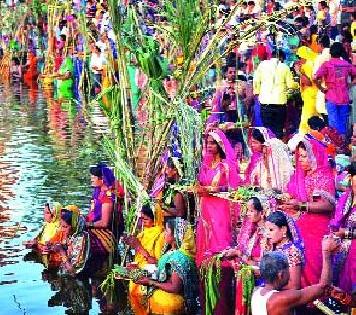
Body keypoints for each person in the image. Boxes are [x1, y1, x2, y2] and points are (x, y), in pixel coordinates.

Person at [281, 138, 335, 287]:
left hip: (316, 229)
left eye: (304, 156)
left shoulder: (322, 175)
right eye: (299, 156)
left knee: (313, 267)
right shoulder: (300, 175)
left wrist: (300, 206)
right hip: (299, 226)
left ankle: (313, 299)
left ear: (315, 155)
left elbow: (327, 205)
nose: (301, 160)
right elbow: (291, 192)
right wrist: (287, 198)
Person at [251, 235, 339, 315]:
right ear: (280, 275)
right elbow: (323, 288)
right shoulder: (281, 299)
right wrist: (326, 253)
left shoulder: (257, 293)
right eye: (287, 269)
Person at [135, 218, 199, 315]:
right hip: (169, 292)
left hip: (175, 299)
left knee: (140, 291)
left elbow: (175, 287)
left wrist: (151, 282)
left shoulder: (178, 258)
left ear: (176, 235)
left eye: (167, 231)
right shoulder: (172, 251)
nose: (164, 233)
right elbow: (164, 272)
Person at [195, 129, 240, 266]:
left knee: (219, 238)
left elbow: (233, 189)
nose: (209, 146)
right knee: (206, 238)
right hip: (206, 206)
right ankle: (206, 269)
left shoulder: (226, 165)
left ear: (220, 145)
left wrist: (214, 190)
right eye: (207, 143)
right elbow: (201, 183)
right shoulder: (206, 165)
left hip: (220, 207)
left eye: (213, 143)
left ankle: (222, 270)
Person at [125, 205, 166, 315]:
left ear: (155, 219)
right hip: (140, 269)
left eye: (145, 219)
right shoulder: (144, 233)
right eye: (141, 219)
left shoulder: (161, 236)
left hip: (152, 275)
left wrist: (139, 248)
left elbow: (159, 264)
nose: (142, 222)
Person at [253, 49, 299, 139]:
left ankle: (268, 149)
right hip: (280, 104)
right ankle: (278, 150)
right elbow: (291, 85)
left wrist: (258, 93)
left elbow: (256, 82)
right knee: (278, 129)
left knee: (267, 130)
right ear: (281, 58)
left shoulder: (262, 65)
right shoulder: (285, 67)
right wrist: (297, 83)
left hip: (265, 103)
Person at [314, 42, 356, 137]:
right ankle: (343, 145)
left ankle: (334, 145)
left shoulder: (327, 65)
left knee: (333, 123)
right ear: (341, 52)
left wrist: (321, 88)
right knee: (343, 123)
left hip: (331, 97)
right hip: (344, 98)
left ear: (331, 52)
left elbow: (315, 78)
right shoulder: (346, 64)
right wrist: (350, 84)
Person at [329, 162, 356, 293]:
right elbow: (336, 221)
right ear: (351, 178)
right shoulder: (346, 197)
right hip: (342, 245)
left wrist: (346, 233)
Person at [86, 163, 117, 269]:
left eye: (93, 177)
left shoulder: (107, 197)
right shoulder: (97, 192)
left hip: (102, 232)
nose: (91, 180)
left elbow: (104, 223)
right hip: (92, 227)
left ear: (102, 179)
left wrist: (87, 224)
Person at [244, 128, 294, 192]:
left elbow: (278, 189)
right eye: (263, 154)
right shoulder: (260, 164)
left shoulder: (281, 169)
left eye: (255, 142)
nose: (252, 145)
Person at [296, 46, 318, 134]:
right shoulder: (313, 62)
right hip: (314, 95)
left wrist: (299, 72)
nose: (298, 60)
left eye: (299, 57)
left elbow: (309, 82)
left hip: (311, 96)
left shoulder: (308, 65)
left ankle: (304, 138)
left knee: (306, 121)